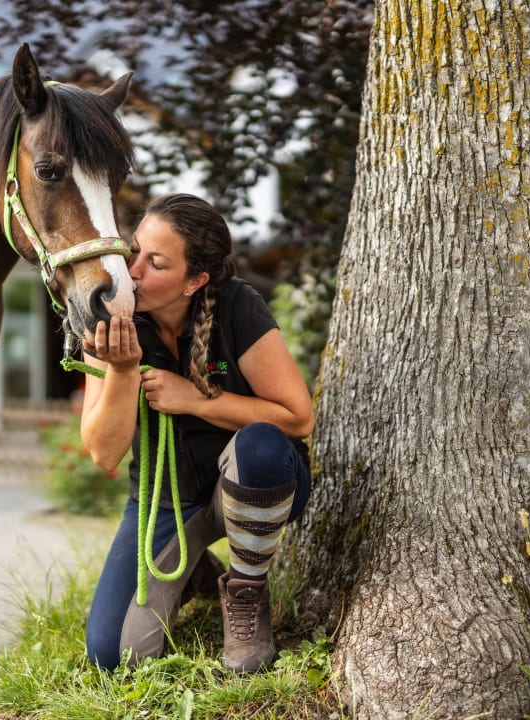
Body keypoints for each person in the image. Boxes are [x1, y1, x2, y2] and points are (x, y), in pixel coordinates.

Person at [79, 193, 315, 674]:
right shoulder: (107, 314)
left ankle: (246, 594)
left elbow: (297, 418)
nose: (133, 271)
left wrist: (196, 399)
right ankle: (192, 570)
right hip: (165, 501)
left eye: (156, 263)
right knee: (112, 656)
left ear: (195, 281)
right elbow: (103, 453)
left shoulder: (237, 307)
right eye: (134, 251)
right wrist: (122, 371)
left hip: (256, 482)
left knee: (263, 444)